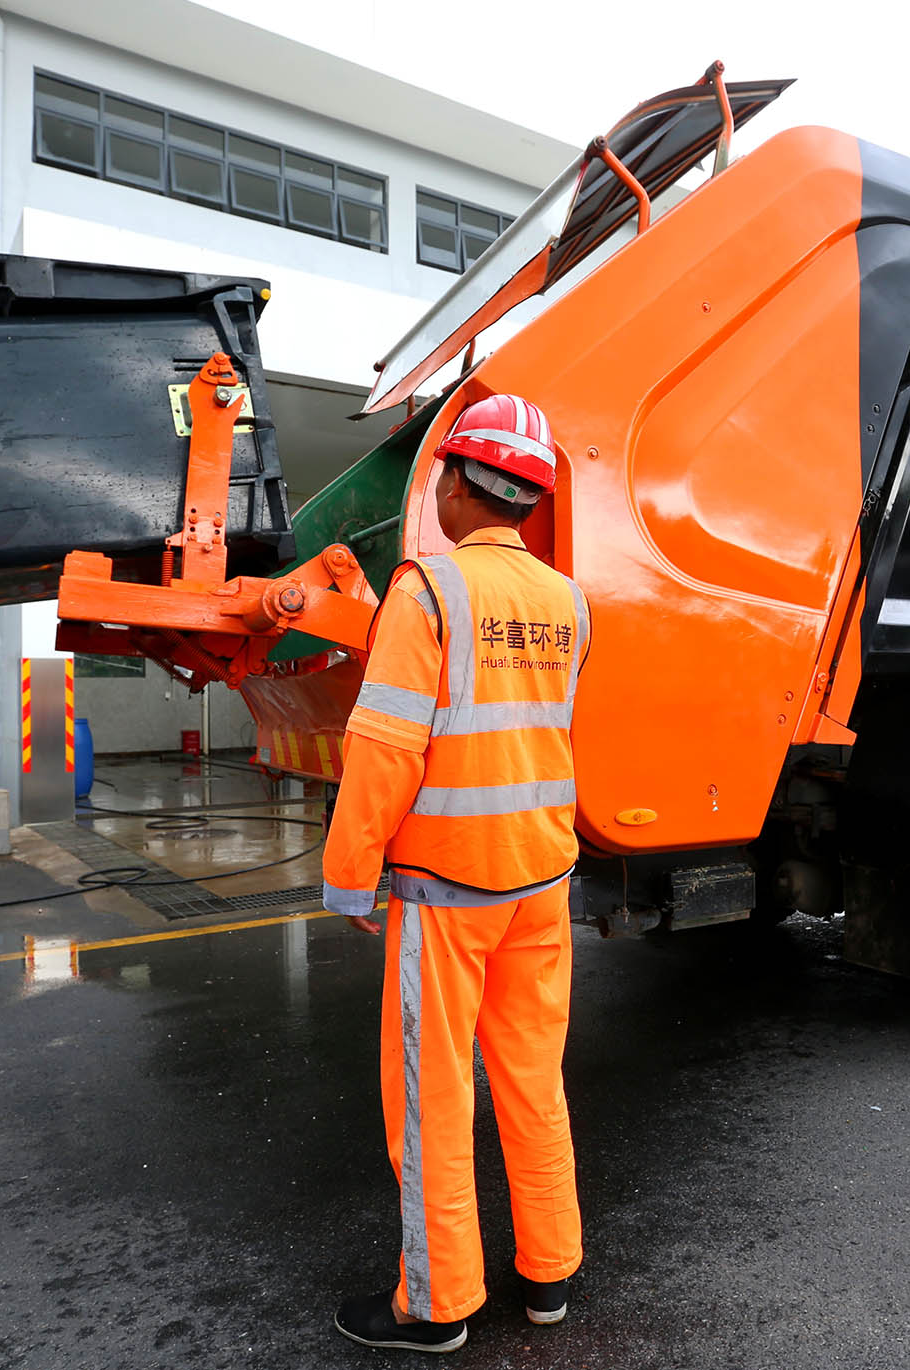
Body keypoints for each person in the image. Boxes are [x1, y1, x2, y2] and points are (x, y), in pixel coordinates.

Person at [321, 393, 589, 1354]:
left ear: (456, 486)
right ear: (528, 500)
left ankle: (437, 1308)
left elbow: (385, 747)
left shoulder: (427, 593)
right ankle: (550, 1276)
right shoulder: (568, 602)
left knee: (433, 1099)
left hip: (445, 892)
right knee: (533, 1082)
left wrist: (350, 872)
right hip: (541, 882)